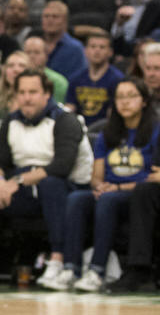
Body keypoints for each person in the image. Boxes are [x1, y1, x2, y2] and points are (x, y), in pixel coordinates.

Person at [0, 68, 93, 284]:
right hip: (26, 188)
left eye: (33, 92)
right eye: (22, 92)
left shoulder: (66, 120)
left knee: (51, 184)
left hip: (67, 188)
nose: (27, 98)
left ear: (46, 94)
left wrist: (17, 181)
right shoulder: (11, 121)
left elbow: (61, 166)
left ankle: (58, 261)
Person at [62, 78, 159, 292]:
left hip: (136, 193)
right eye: (120, 97)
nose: (125, 102)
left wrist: (118, 189)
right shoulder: (107, 132)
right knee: (76, 199)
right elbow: (96, 176)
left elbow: (153, 179)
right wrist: (100, 186)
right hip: (111, 190)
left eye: (131, 96)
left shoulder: (155, 130)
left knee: (108, 200)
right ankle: (70, 268)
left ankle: (97, 271)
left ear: (144, 101)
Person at [65, 30, 123, 126]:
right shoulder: (75, 79)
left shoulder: (118, 79)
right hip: (79, 128)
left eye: (102, 47)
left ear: (110, 52)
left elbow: (113, 115)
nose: (97, 51)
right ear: (85, 51)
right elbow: (70, 108)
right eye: (93, 46)